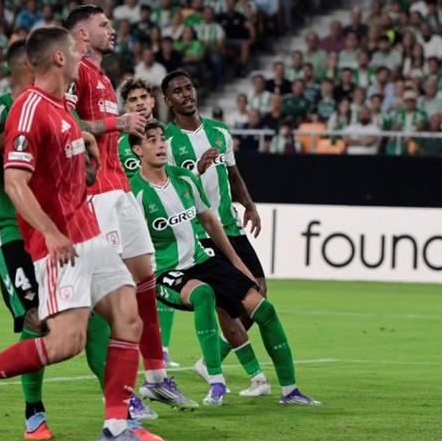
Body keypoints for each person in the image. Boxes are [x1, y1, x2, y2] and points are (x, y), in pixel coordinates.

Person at [0, 27, 160, 441]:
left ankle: (116, 427)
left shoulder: (61, 108)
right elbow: (16, 182)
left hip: (89, 233)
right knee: (64, 342)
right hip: (60, 245)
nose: (82, 58)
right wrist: (52, 233)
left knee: (128, 319)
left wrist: (88, 155)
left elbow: (65, 168)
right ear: (58, 59)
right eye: (76, 53)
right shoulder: (28, 109)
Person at [129, 120, 320, 406]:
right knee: (204, 293)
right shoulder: (135, 192)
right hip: (166, 271)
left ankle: (290, 390)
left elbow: (209, 221)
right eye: (151, 140)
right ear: (137, 150)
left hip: (202, 260)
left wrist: (238, 265)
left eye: (161, 140)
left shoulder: (185, 179)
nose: (160, 145)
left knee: (264, 309)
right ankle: (216, 381)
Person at [64, 5, 195, 417]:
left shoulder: (103, 77)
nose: (112, 29)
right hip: (95, 196)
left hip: (120, 191)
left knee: (145, 284)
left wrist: (124, 124)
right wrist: (114, 125)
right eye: (103, 25)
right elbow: (66, 121)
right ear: (82, 34)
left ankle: (156, 379)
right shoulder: (78, 71)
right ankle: (121, 392)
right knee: (112, 295)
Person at [161, 69, 274, 395]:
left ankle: (212, 358)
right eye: (178, 91)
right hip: (199, 231)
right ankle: (256, 378)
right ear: (168, 101)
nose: (186, 94)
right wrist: (197, 169)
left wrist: (249, 206)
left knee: (259, 292)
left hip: (230, 225)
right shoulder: (167, 142)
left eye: (189, 87)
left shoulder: (220, 133)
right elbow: (170, 189)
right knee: (227, 302)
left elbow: (234, 176)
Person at [116, 76, 179, 367]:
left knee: (166, 281)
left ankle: (160, 350)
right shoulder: (116, 142)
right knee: (128, 292)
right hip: (128, 226)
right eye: (133, 100)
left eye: (144, 98)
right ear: (124, 107)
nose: (140, 103)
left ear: (153, 101)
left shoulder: (170, 138)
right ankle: (124, 353)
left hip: (164, 223)